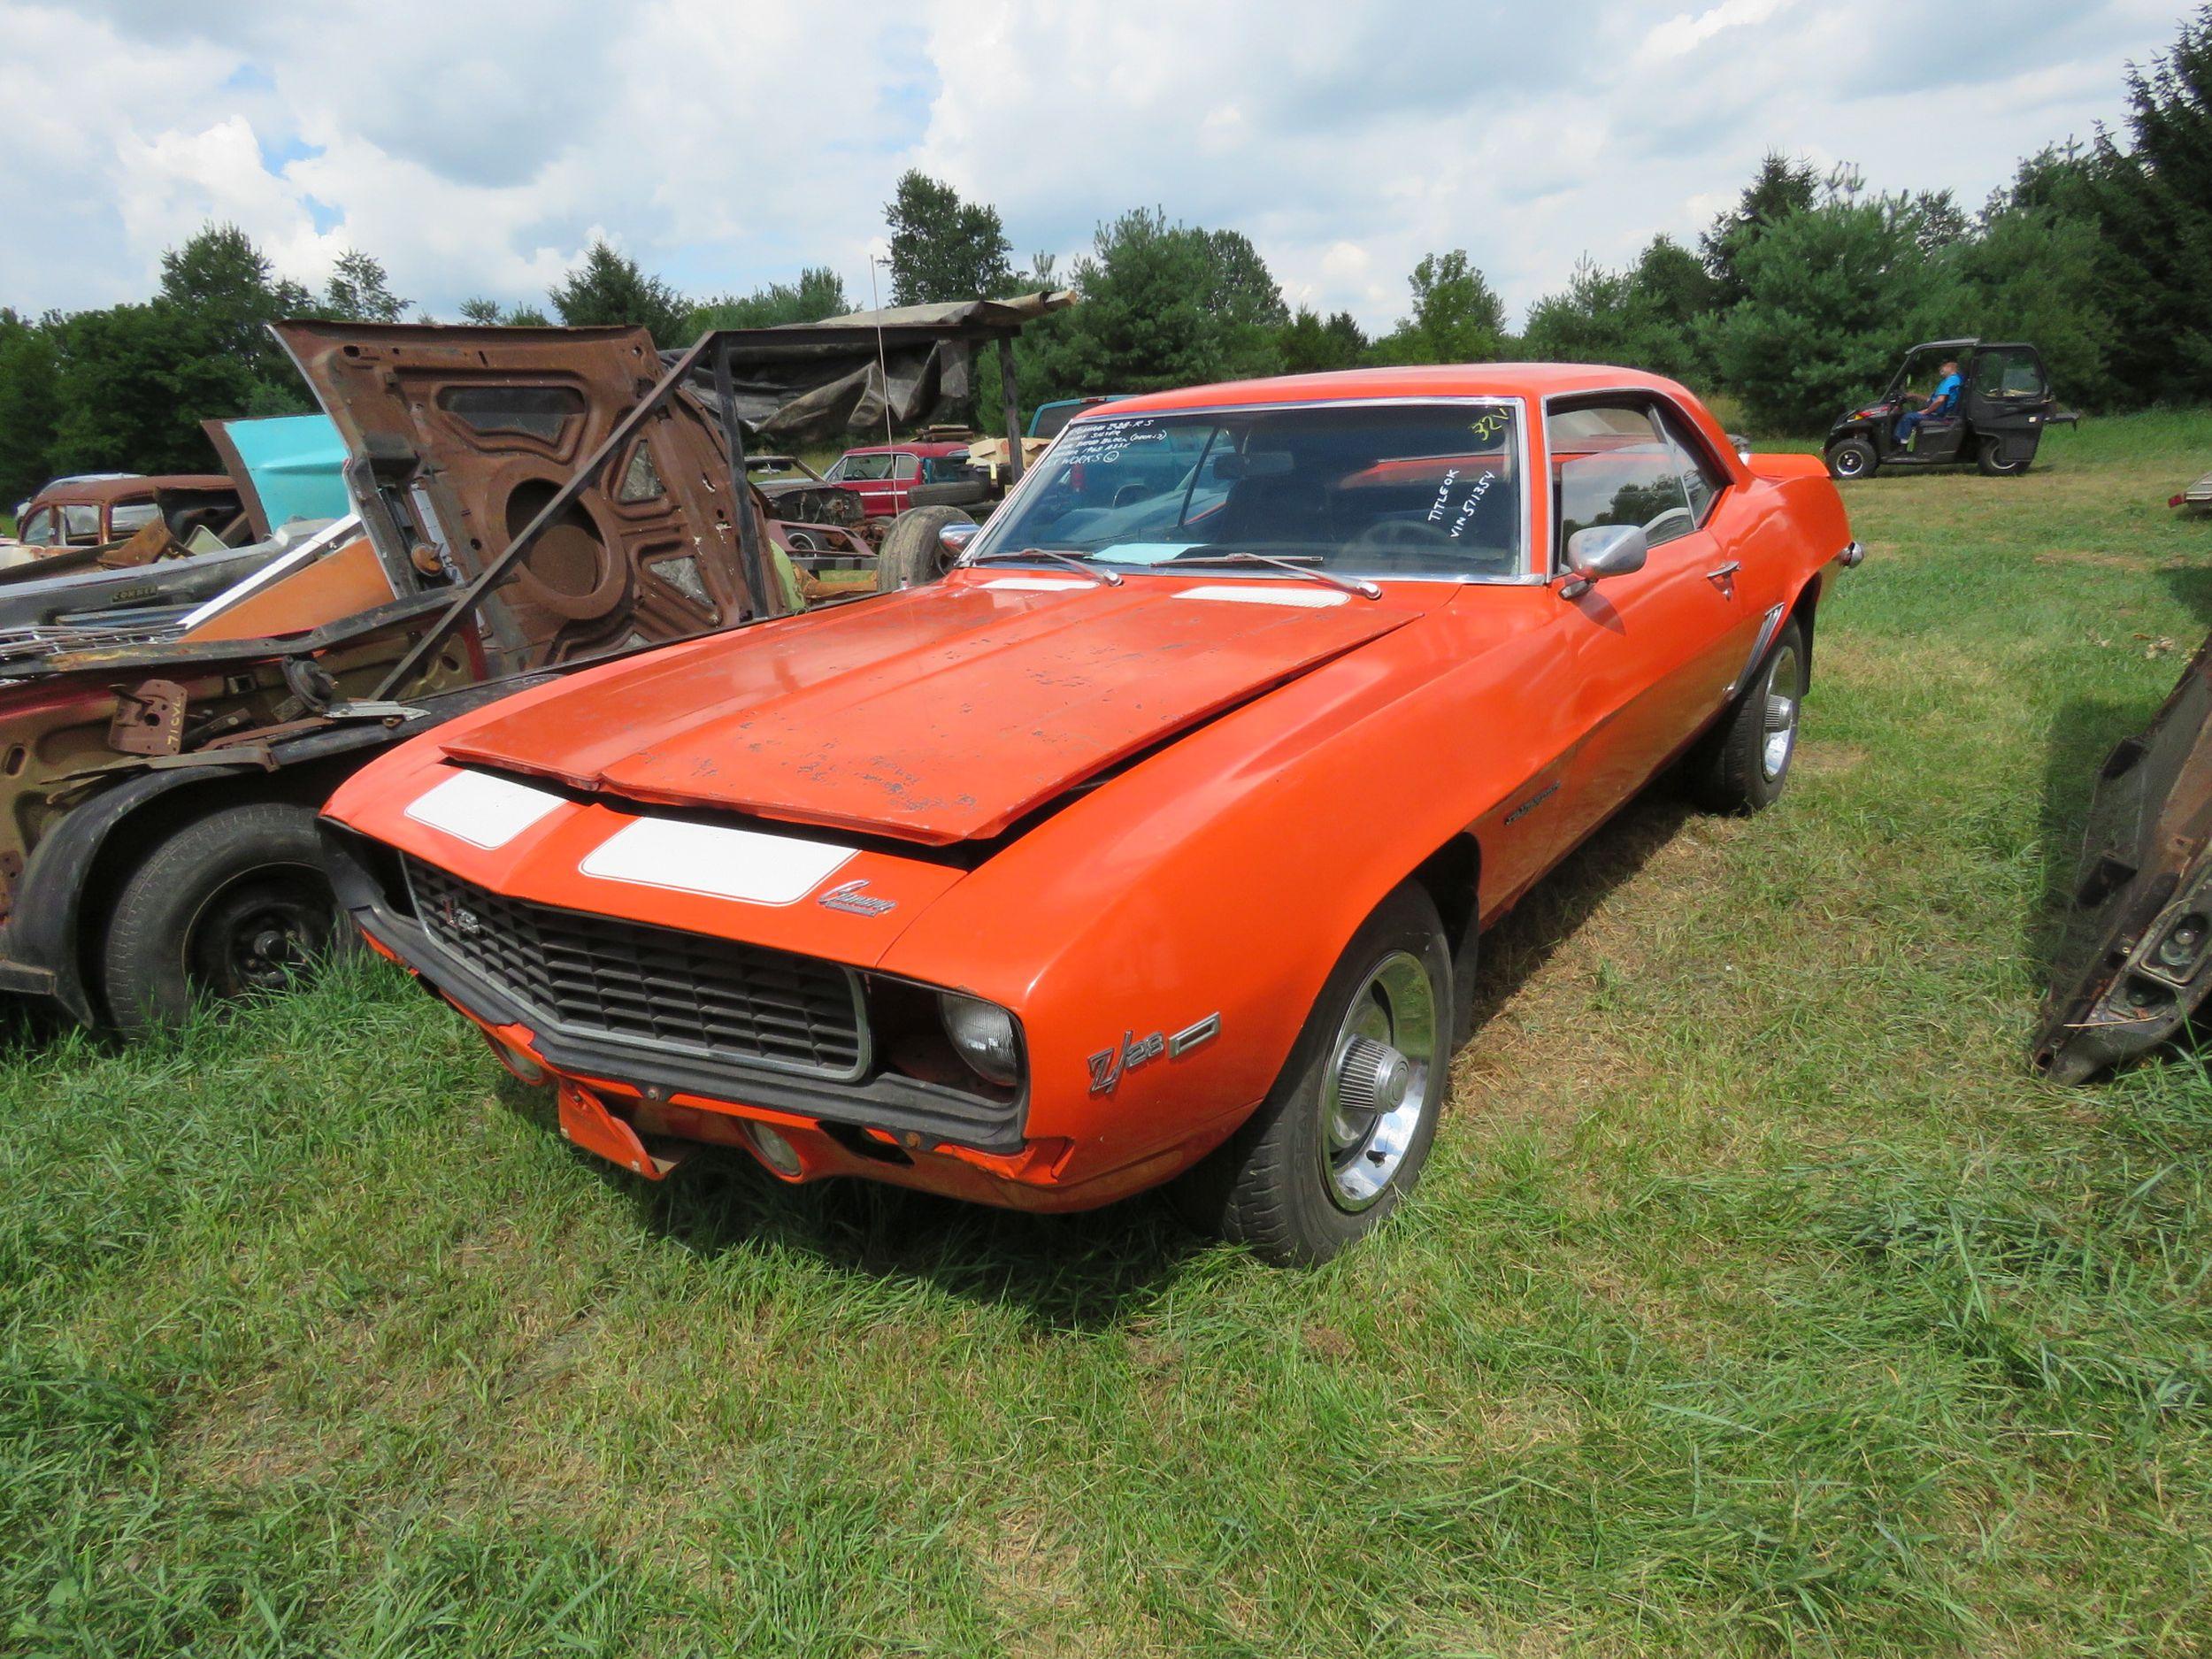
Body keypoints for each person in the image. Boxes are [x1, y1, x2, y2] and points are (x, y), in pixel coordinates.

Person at [1895, 359, 1962, 446]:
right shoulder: (1949, 380)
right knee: (1912, 414)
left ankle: (1901, 445)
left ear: (1951, 367)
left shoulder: (1952, 380)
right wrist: (1915, 395)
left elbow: (1940, 400)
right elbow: (1932, 400)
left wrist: (1926, 411)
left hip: (1941, 415)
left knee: (1907, 417)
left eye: (1944, 367)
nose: (1940, 369)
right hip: (1939, 411)